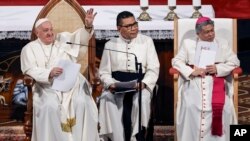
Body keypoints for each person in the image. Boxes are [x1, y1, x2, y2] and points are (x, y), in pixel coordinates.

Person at [20, 8, 99, 141]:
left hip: (72, 85)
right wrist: (49, 73)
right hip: (46, 87)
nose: (50, 33)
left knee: (81, 103)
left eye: (51, 29)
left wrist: (88, 26)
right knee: (50, 106)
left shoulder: (63, 40)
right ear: (37, 32)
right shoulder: (29, 49)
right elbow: (30, 70)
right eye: (45, 31)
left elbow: (80, 39)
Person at [172, 17, 240, 141]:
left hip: (216, 82)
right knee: (190, 106)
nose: (211, 34)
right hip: (195, 82)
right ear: (198, 33)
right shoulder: (188, 43)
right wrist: (192, 71)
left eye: (212, 31)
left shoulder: (222, 43)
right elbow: (176, 61)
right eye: (206, 32)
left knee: (225, 108)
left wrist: (218, 68)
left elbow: (234, 62)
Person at [98, 11, 160, 141]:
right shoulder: (110, 45)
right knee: (106, 98)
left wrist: (144, 83)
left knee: (140, 101)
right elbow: (104, 72)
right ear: (119, 28)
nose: (134, 28)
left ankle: (136, 137)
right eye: (129, 26)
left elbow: (153, 68)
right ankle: (116, 137)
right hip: (117, 84)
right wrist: (111, 84)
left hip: (140, 84)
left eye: (135, 24)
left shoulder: (147, 41)